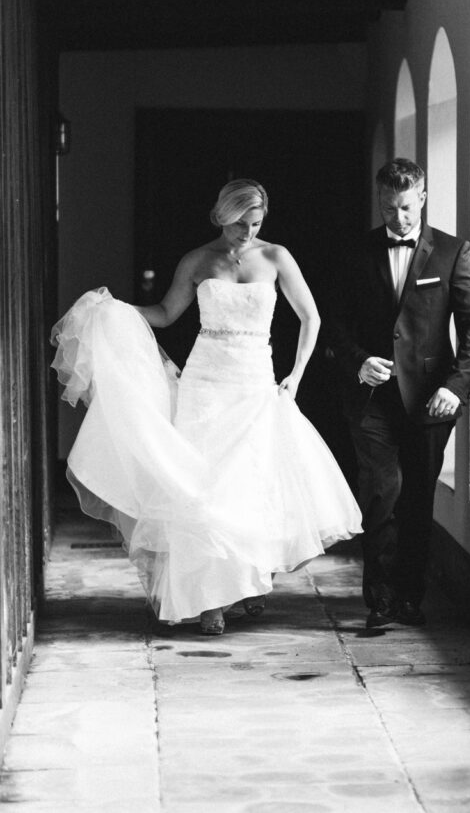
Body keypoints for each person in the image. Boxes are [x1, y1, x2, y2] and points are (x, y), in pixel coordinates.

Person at [50, 179, 361, 635]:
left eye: (255, 224)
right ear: (221, 216)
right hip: (206, 382)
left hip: (255, 381)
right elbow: (166, 312)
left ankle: (245, 581)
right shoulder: (197, 261)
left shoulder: (276, 257)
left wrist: (295, 375)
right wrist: (116, 310)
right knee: (202, 488)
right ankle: (209, 600)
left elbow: (310, 317)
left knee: (251, 486)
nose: (247, 233)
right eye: (239, 224)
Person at [325, 158, 470, 629]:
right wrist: (358, 361)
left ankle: (410, 596)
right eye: (390, 209)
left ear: (422, 198)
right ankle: (379, 601)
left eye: (407, 208)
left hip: (431, 399)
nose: (399, 218)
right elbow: (334, 323)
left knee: (418, 498)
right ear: (381, 202)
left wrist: (456, 388)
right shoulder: (355, 251)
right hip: (372, 397)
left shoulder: (453, 252)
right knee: (379, 494)